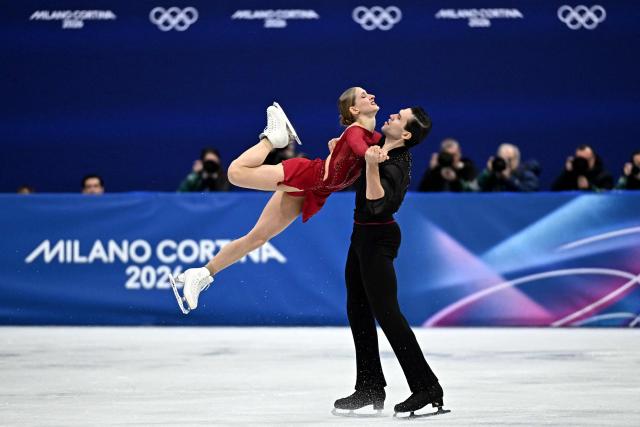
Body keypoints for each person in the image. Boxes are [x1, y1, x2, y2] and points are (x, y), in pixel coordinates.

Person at [170, 87, 382, 314]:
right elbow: (363, 151)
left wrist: (348, 147)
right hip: (308, 175)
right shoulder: (356, 133)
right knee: (235, 173)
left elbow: (364, 148)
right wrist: (379, 154)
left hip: (313, 190)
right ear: (354, 109)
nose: (371, 96)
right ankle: (273, 138)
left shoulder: (369, 136)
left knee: (257, 238)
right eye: (363, 95)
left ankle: (201, 273)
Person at [332, 106, 449, 419]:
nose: (392, 117)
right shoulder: (379, 150)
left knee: (388, 314)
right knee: (357, 310)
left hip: (378, 239)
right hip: (361, 237)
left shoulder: (397, 163)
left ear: (406, 134)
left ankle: (427, 387)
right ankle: (369, 385)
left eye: (399, 118)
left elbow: (377, 206)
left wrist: (370, 167)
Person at [475, 143, 540, 192]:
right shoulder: (493, 174)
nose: (506, 163)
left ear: (516, 159)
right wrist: (488, 172)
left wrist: (509, 178)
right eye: (502, 159)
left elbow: (530, 190)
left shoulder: (525, 173)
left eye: (509, 159)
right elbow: (477, 188)